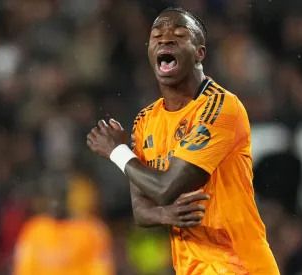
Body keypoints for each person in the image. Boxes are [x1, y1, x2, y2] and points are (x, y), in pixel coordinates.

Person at [87, 7, 280, 275]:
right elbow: (142, 210)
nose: (165, 40)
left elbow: (165, 189)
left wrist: (118, 151)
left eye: (178, 35)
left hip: (239, 266)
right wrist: (165, 215)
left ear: (200, 52)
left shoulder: (221, 108)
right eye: (157, 36)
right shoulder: (145, 120)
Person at [13, 174, 114, 275]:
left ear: (69, 197)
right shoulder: (34, 229)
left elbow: (101, 269)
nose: (55, 203)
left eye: (60, 196)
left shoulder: (91, 229)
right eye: (51, 197)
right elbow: (23, 269)